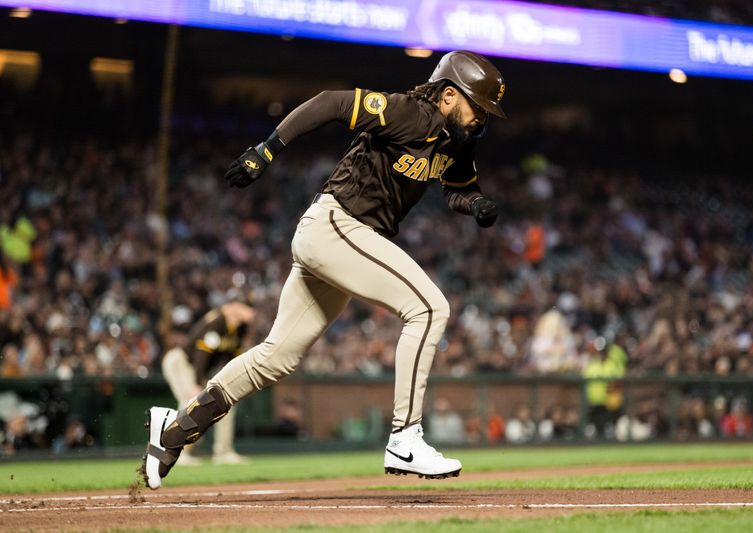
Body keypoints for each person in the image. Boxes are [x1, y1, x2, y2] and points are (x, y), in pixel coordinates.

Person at [141, 50, 507, 489]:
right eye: (478, 107)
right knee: (429, 309)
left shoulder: (458, 142)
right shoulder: (414, 113)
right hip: (337, 225)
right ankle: (405, 436)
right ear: (449, 95)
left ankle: (174, 430)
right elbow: (330, 103)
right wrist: (267, 149)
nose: (481, 119)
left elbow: (457, 189)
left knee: (276, 358)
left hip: (342, 240)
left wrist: (475, 205)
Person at [160, 301, 255, 465]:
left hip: (200, 369)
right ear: (233, 306)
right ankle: (174, 453)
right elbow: (201, 354)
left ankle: (223, 452)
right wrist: (197, 383)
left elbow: (232, 358)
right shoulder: (217, 322)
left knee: (225, 402)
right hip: (182, 362)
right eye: (246, 307)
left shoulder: (240, 328)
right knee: (190, 403)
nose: (250, 312)